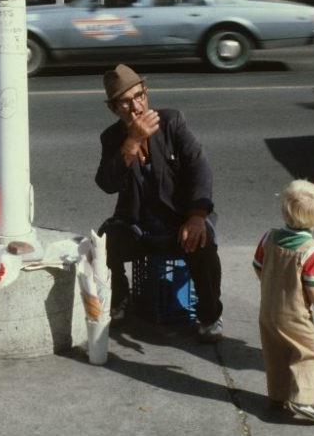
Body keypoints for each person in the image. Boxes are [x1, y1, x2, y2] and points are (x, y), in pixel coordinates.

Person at [95, 64, 224, 341]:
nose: (135, 107)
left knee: (204, 246)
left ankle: (210, 316)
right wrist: (131, 143)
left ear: (147, 93)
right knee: (103, 243)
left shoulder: (171, 122)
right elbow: (106, 183)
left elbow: (199, 167)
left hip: (180, 222)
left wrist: (197, 215)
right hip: (138, 226)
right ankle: (119, 298)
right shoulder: (112, 138)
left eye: (139, 96)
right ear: (114, 108)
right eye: (125, 102)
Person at [254, 180, 314, 423]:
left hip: (267, 309)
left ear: (284, 211)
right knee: (309, 353)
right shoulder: (312, 249)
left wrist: (271, 284)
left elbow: (257, 266)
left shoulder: (269, 237)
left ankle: (277, 397)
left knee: (275, 352)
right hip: (294, 313)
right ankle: (303, 401)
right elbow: (312, 286)